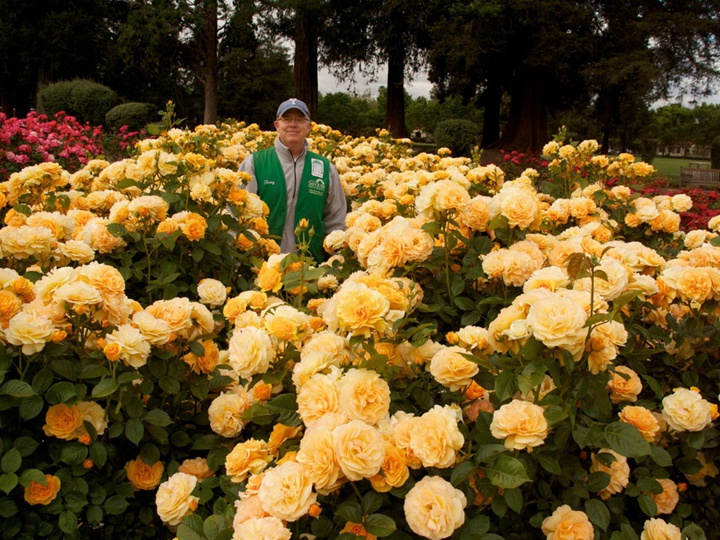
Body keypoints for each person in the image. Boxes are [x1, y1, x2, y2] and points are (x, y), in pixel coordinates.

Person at [238, 98, 346, 262]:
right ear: (277, 125)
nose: (293, 124)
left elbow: (336, 221)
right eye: (286, 119)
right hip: (260, 265)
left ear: (309, 126)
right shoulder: (255, 163)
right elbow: (237, 215)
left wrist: (335, 262)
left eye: (299, 119)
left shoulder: (326, 169)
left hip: (310, 269)